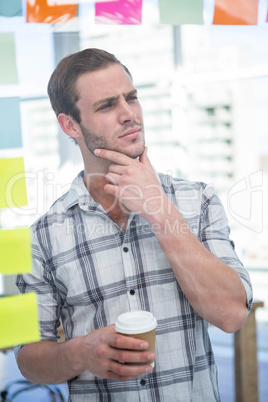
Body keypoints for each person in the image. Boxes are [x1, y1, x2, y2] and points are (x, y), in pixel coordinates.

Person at [15, 48, 253, 401]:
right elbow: (25, 358)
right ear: (70, 125)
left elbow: (233, 315)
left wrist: (159, 211)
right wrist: (79, 352)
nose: (130, 115)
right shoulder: (36, 238)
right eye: (108, 105)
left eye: (132, 98)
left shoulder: (200, 200)